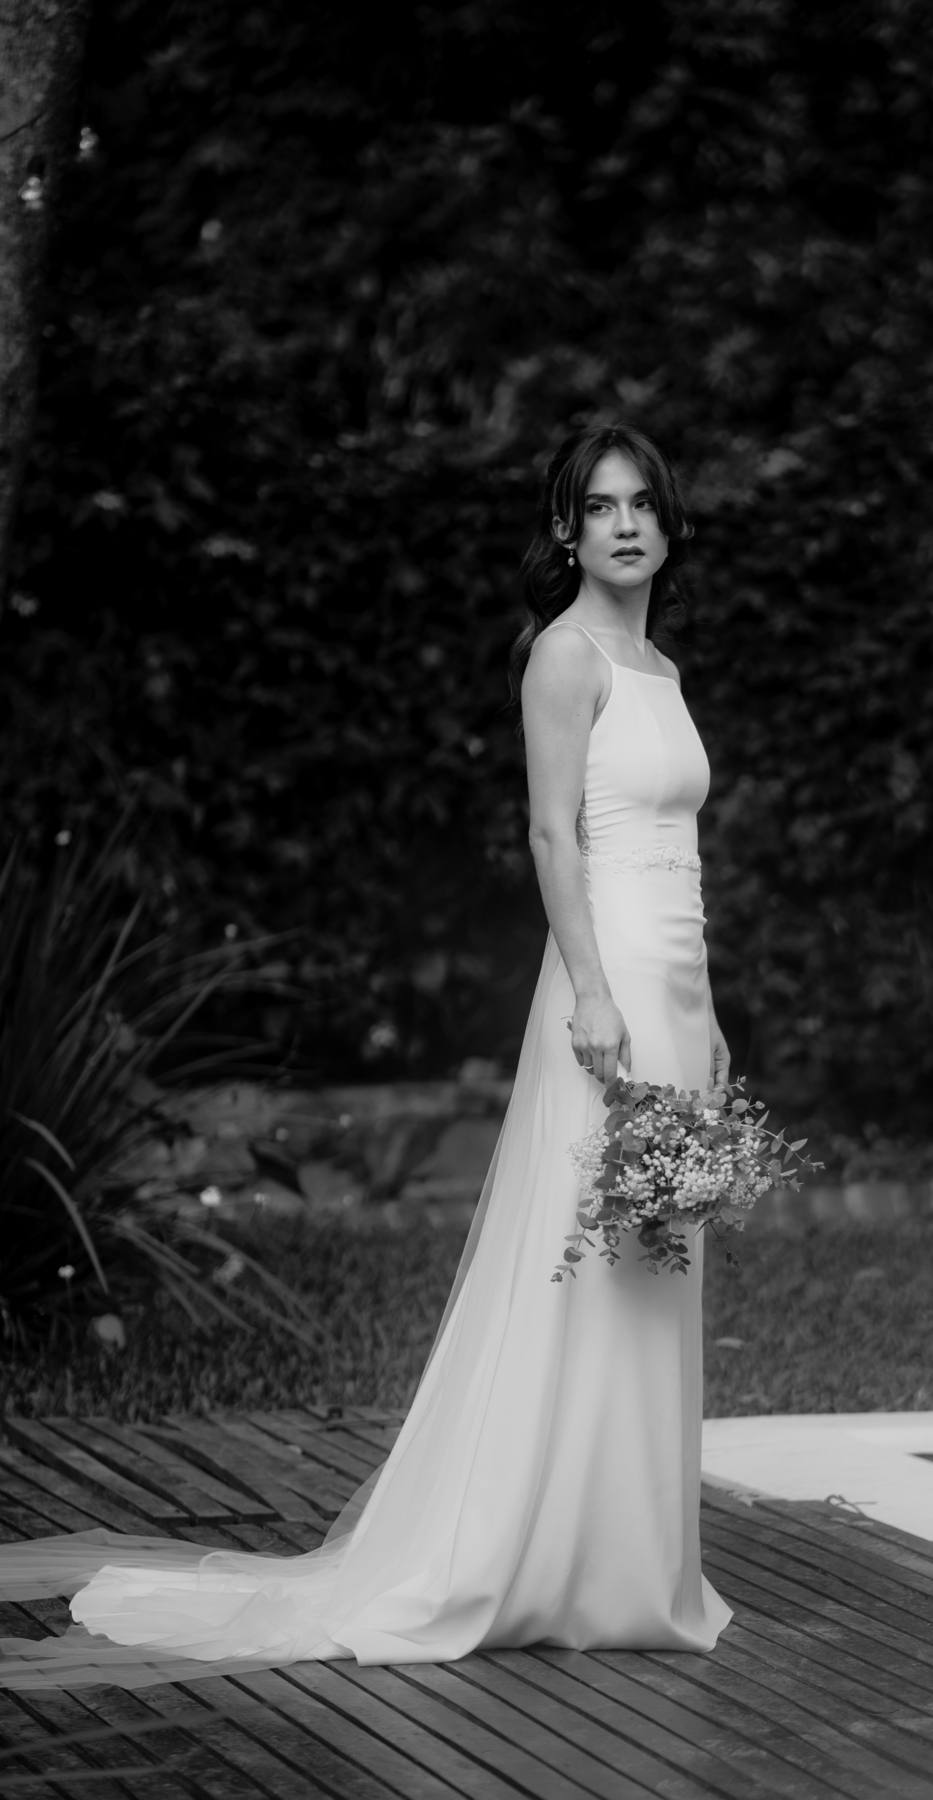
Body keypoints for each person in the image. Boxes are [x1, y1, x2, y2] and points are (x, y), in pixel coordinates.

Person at [0, 422, 733, 1690]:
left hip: (675, 987)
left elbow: (685, 857)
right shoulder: (565, 658)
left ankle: (631, 1561)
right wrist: (593, 993)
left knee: (655, 1252)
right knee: (585, 1250)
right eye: (600, 507)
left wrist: (707, 1013)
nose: (625, 525)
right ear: (567, 532)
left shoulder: (660, 667)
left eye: (643, 505)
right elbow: (551, 836)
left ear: (669, 525)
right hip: (606, 984)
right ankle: (531, 1555)